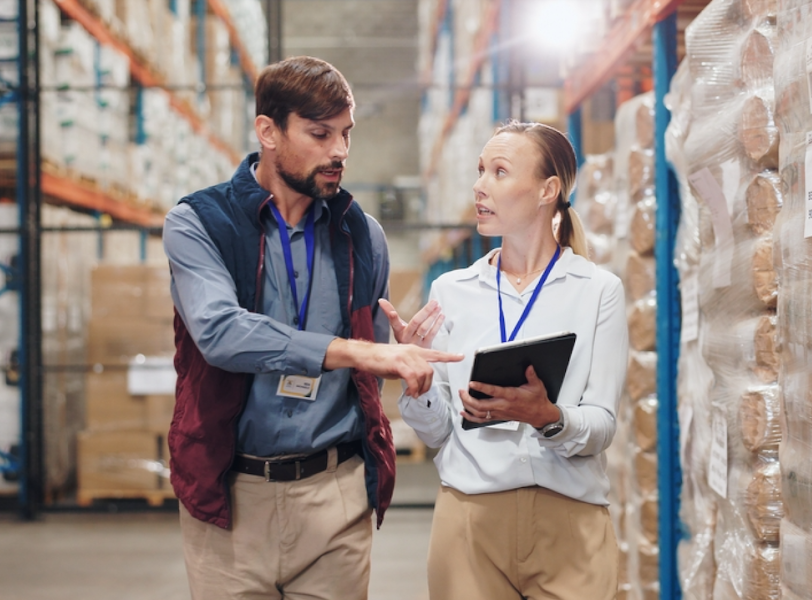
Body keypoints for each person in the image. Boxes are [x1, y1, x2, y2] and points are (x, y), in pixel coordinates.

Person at [162, 55, 462, 600]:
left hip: (336, 495)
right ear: (268, 131)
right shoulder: (198, 223)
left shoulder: (361, 235)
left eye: (346, 134)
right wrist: (354, 351)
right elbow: (219, 333)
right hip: (231, 497)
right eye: (320, 134)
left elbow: (371, 358)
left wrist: (400, 356)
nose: (340, 152)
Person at [381, 120, 629, 600]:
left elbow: (601, 424)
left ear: (547, 190)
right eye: (479, 171)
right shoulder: (451, 291)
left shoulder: (598, 291)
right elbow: (437, 433)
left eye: (498, 172)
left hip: (570, 525)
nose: (479, 186)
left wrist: (548, 418)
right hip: (470, 522)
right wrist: (421, 383)